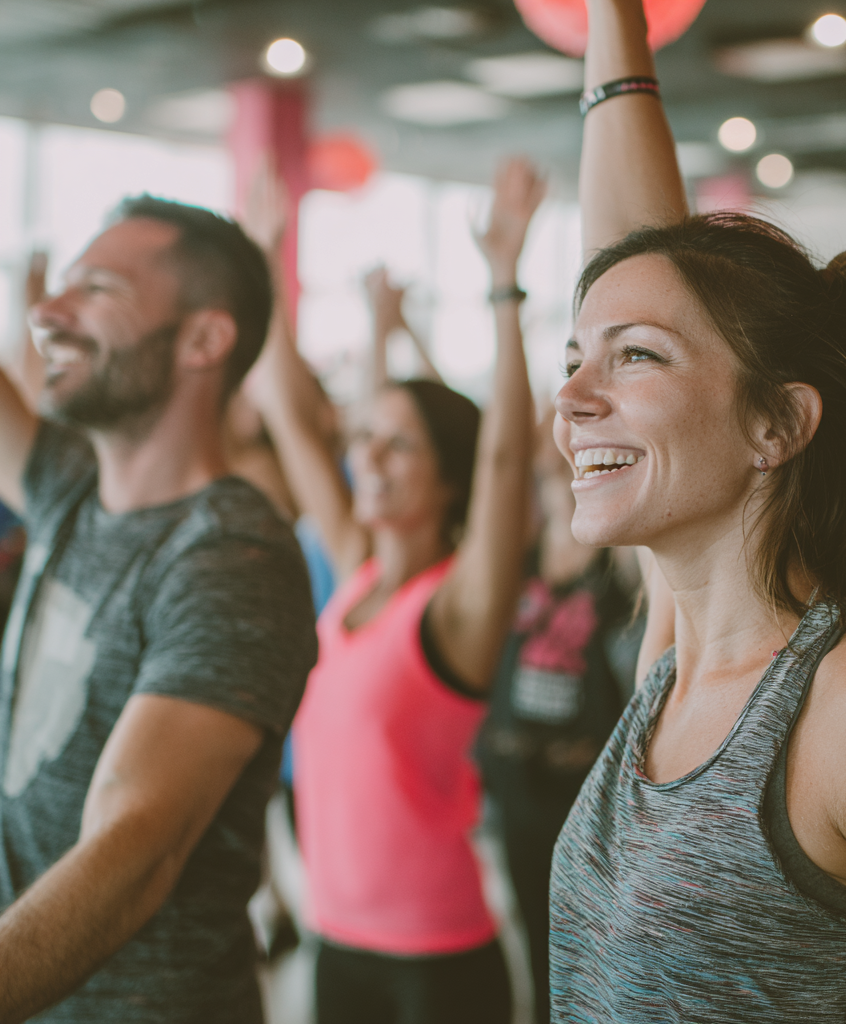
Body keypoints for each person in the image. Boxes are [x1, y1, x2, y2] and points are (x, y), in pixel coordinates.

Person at [545, 1, 846, 1021]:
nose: (574, 395)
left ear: (776, 427)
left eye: (633, 356)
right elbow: (634, 245)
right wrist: (611, 20)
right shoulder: (671, 663)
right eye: (573, 357)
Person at [0, 195, 318, 1023]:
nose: (47, 312)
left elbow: (134, 852)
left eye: (97, 290)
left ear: (203, 339)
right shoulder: (71, 486)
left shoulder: (228, 553)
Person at [250, 158, 541, 1024]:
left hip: (438, 963)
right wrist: (268, 258)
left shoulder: (456, 606)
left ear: (448, 481)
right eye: (366, 439)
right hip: (337, 942)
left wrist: (503, 286)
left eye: (398, 446)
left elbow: (505, 457)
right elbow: (282, 406)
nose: (367, 458)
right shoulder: (354, 574)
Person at [477, 410, 641, 1024]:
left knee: (588, 962)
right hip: (517, 795)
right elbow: (502, 457)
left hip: (583, 801)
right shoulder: (520, 558)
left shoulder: (614, 553)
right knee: (537, 963)